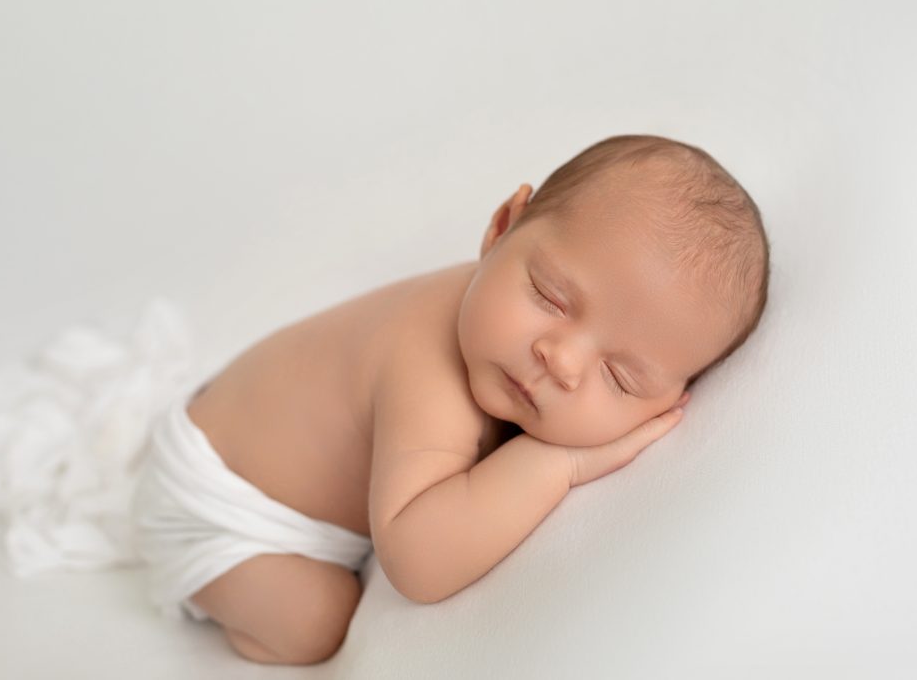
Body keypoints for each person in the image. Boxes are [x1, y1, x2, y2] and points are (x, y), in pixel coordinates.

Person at [131, 134, 771, 665]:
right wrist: (558, 464)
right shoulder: (429, 366)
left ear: (671, 399)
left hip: (244, 426)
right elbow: (416, 560)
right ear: (500, 228)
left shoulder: (499, 334)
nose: (563, 361)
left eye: (622, 379)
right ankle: (221, 602)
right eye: (549, 296)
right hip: (218, 498)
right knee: (316, 625)